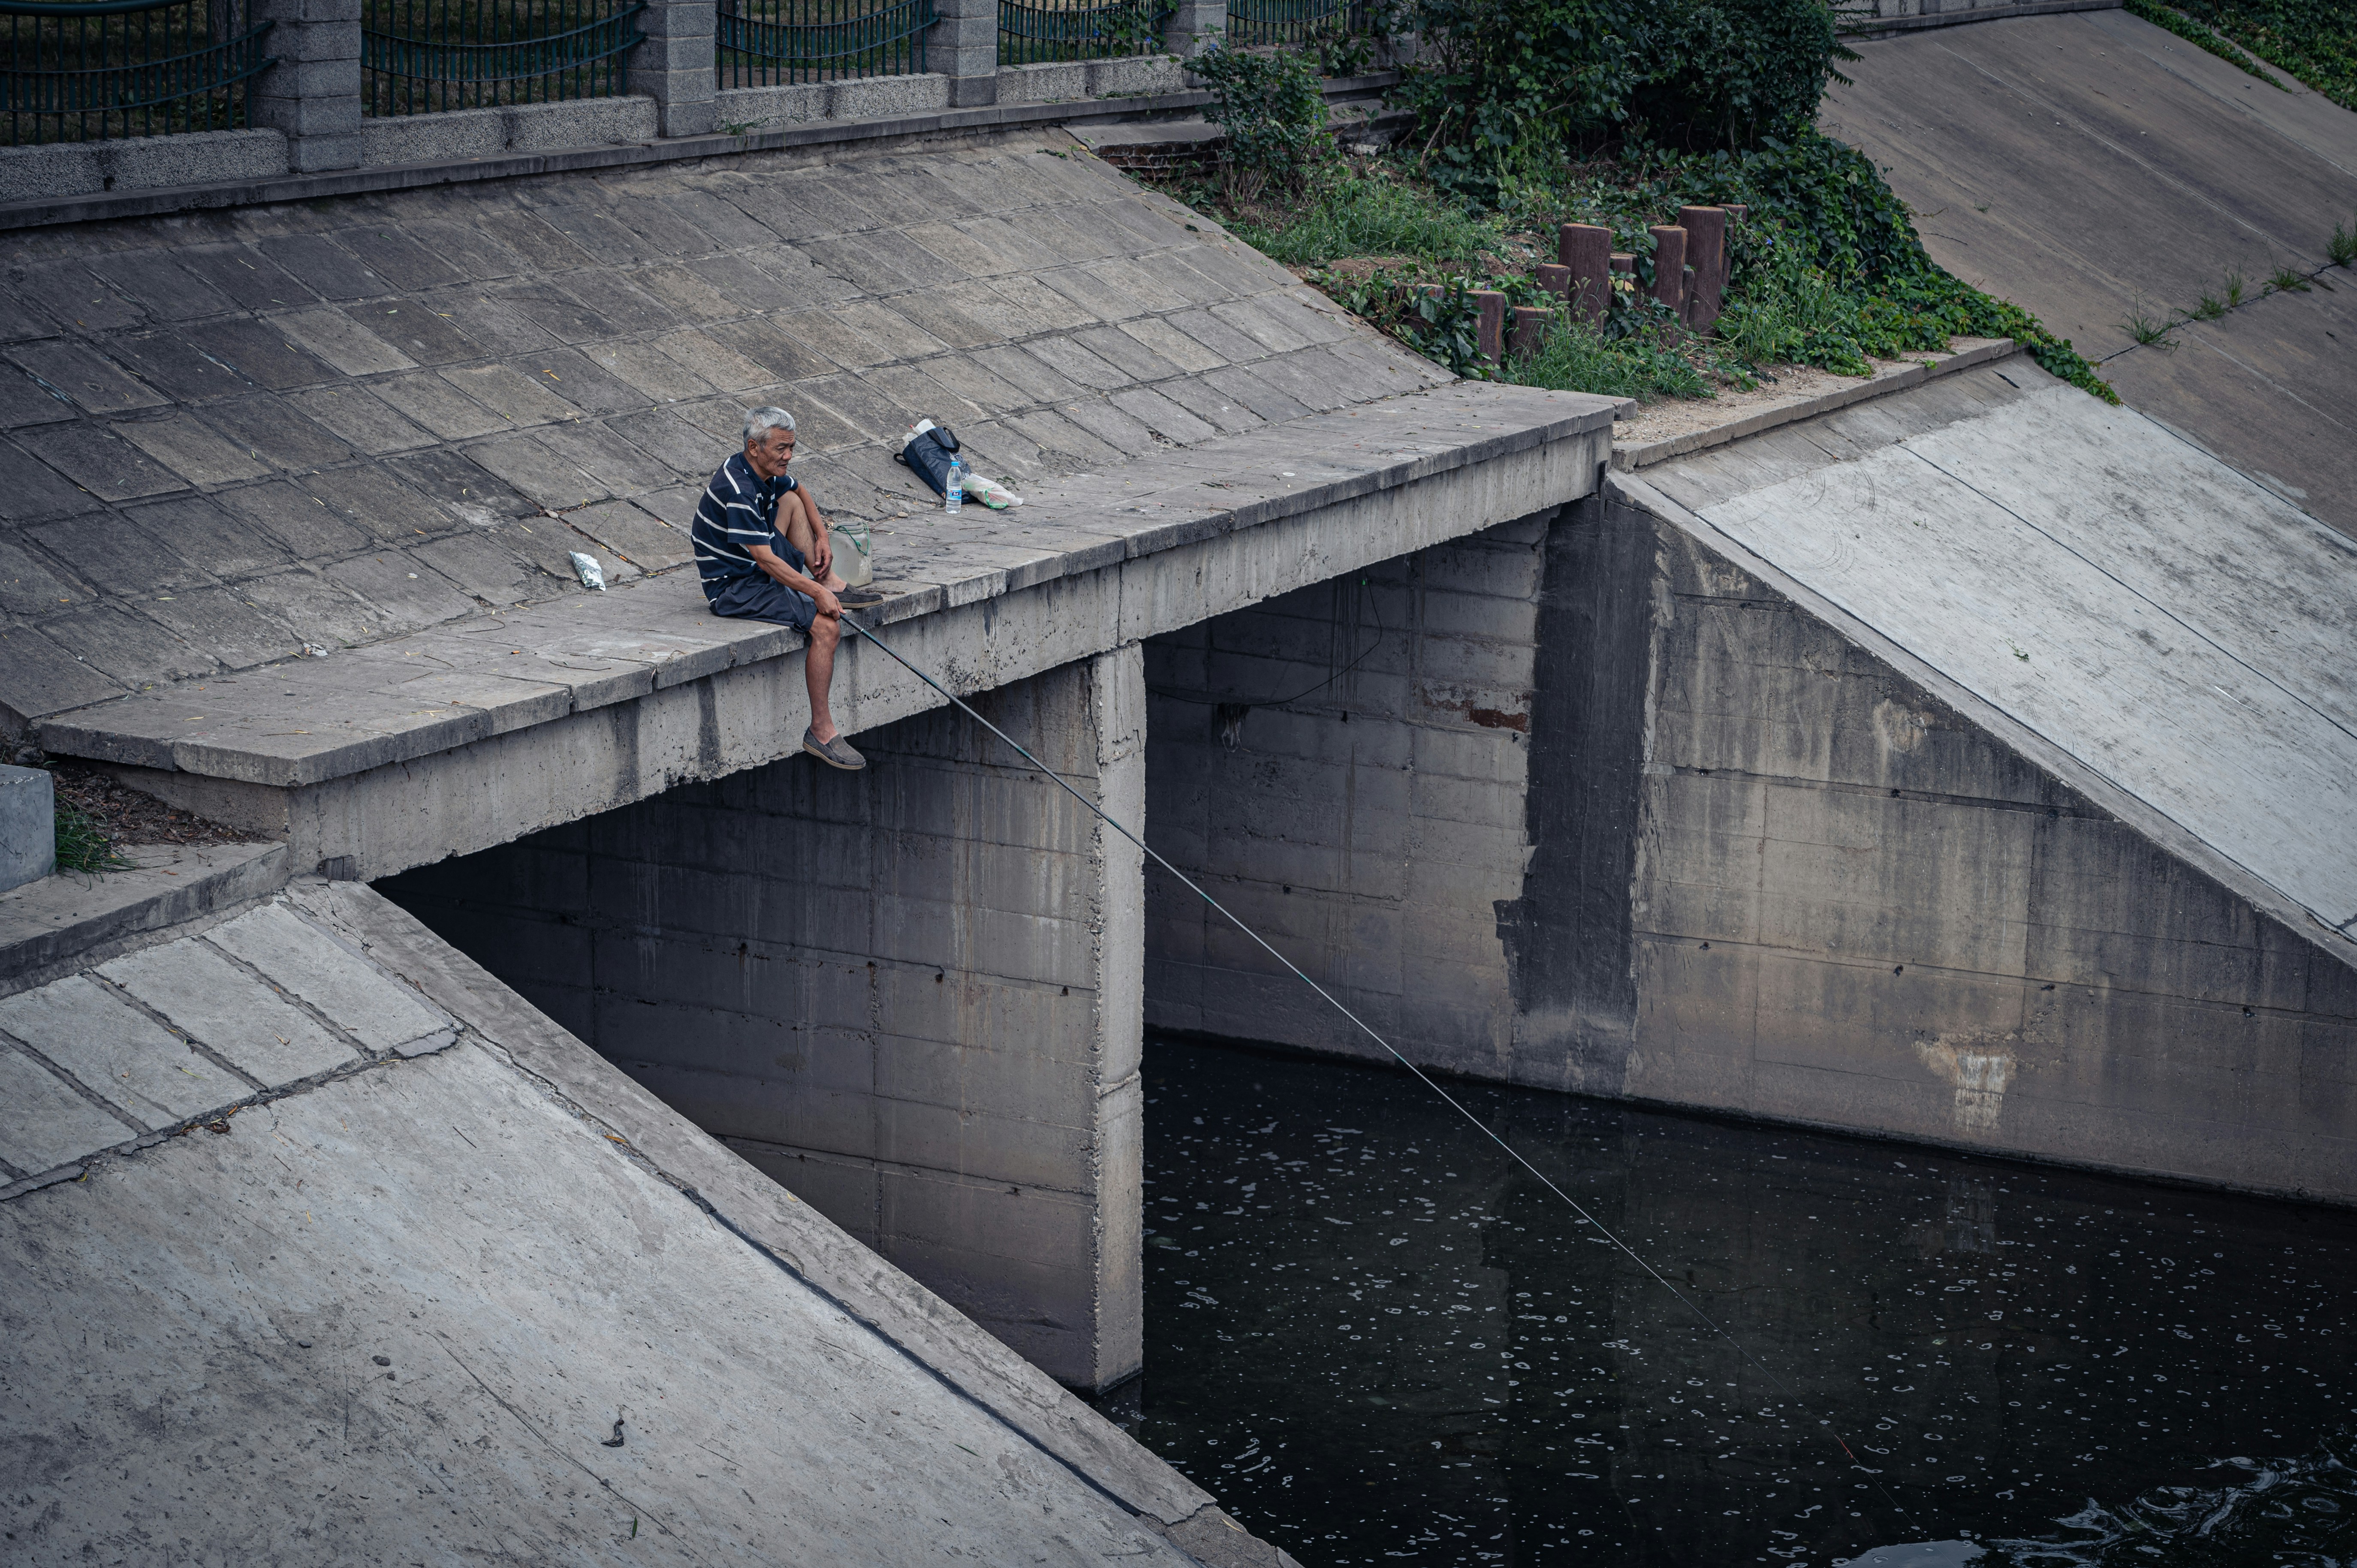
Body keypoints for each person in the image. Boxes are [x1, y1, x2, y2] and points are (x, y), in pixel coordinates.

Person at [693, 406, 865, 771]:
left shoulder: (763, 470)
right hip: (735, 586)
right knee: (827, 626)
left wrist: (822, 536)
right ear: (754, 448)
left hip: (754, 567)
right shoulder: (738, 488)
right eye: (781, 449)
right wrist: (816, 597)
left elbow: (798, 489)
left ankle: (828, 580)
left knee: (789, 501)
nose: (788, 456)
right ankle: (820, 731)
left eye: (792, 447)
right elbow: (766, 560)